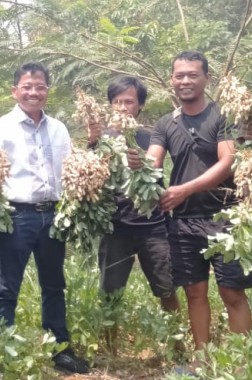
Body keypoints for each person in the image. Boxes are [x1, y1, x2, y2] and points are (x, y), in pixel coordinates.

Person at [130, 51, 252, 372]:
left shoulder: (223, 116)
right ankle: (203, 361)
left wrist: (184, 189)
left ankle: (241, 364)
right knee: (194, 293)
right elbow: (153, 161)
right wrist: (137, 164)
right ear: (172, 80)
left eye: (192, 75)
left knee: (232, 293)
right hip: (183, 222)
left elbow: (228, 162)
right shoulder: (165, 124)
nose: (185, 81)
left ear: (206, 79)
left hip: (226, 217)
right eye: (179, 75)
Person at [0, 61, 90, 374]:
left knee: (54, 285)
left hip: (53, 214)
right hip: (16, 215)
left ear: (46, 91)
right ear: (15, 91)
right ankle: (1, 354)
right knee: (6, 287)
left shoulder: (59, 129)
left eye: (39, 87)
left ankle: (60, 351)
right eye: (27, 87)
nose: (33, 92)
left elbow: (70, 168)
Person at [86, 76, 180, 354]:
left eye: (129, 101)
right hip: (115, 227)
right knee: (110, 291)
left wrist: (142, 164)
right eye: (117, 102)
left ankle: (177, 344)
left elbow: (157, 171)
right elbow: (91, 177)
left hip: (152, 225)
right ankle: (109, 350)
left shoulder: (152, 137)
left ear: (139, 105)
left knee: (166, 287)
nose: (123, 107)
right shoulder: (101, 139)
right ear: (110, 105)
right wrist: (92, 145)